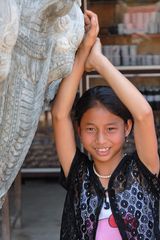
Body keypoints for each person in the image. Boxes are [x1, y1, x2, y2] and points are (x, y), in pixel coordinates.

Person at [51, 10, 160, 240]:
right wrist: (83, 53)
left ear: (127, 128)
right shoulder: (79, 175)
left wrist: (99, 62)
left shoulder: (143, 171)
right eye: (91, 129)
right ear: (79, 131)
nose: (101, 140)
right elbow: (60, 114)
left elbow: (144, 114)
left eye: (111, 129)